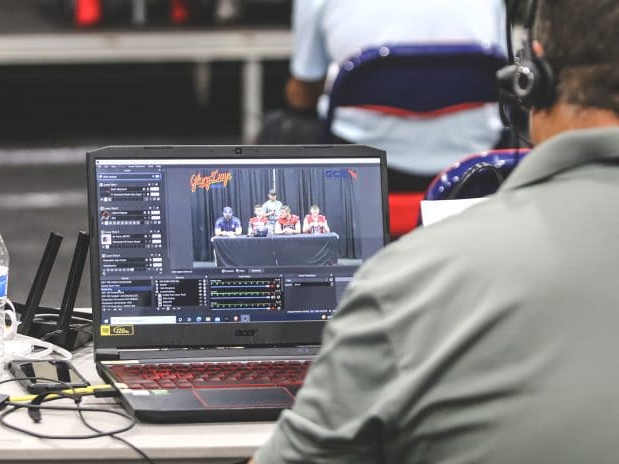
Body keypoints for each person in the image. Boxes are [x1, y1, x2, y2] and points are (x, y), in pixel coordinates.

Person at [250, 1, 619, 462]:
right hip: (468, 156)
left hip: (366, 161)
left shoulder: (405, 287)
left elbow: (301, 93)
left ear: (532, 77)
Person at [282, 0, 507, 191]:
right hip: (474, 167)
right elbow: (502, 78)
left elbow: (303, 94)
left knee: (283, 128)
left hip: (364, 170)